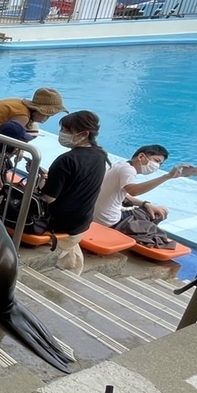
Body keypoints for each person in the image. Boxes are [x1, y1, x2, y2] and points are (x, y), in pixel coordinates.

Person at [39, 111, 112, 272]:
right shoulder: (100, 156)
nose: (62, 134)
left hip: (60, 222)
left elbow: (48, 198)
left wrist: (41, 182)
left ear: (84, 134)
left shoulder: (67, 160)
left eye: (66, 130)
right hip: (83, 220)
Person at [94, 144, 195, 245]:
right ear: (141, 156)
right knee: (160, 213)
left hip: (94, 215)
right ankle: (132, 234)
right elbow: (134, 191)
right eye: (156, 161)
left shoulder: (119, 165)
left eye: (160, 164)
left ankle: (137, 229)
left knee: (148, 208)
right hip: (109, 220)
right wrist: (167, 176)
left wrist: (145, 204)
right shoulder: (128, 170)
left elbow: (122, 194)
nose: (157, 166)